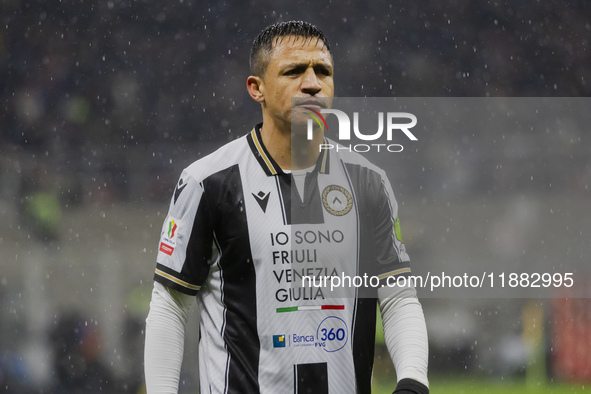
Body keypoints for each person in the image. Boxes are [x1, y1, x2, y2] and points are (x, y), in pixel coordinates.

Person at [145, 21, 429, 394]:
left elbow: (396, 295)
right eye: (294, 71)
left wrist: (413, 379)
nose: (312, 83)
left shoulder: (368, 183)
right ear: (256, 88)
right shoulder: (208, 182)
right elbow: (170, 303)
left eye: (323, 72)